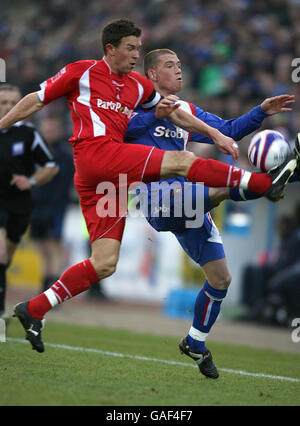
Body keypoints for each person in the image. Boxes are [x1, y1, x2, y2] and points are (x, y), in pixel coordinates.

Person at [0, 19, 296, 355]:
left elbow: (197, 119)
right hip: (119, 170)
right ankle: (265, 183)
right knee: (185, 162)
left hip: (126, 182)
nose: (135, 54)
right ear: (111, 49)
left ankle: (34, 309)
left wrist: (239, 122)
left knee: (106, 264)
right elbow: (37, 100)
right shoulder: (82, 73)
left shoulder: (142, 89)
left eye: (139, 49)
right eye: (131, 48)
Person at [125, 48, 297, 378]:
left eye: (180, 65)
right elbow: (120, 135)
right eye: (170, 66)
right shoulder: (133, 108)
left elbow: (228, 130)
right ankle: (268, 182)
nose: (178, 70)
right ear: (151, 75)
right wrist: (155, 115)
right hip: (157, 196)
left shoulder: (186, 110)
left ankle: (195, 341)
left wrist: (260, 112)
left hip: (189, 200)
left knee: (221, 279)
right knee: (212, 180)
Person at [0, 84, 59, 320]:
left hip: (20, 205)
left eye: (13, 103)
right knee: (1, 253)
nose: (8, 107)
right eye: (3, 103)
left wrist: (31, 181)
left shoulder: (29, 135)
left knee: (6, 258)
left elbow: (51, 166)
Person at [30, 116, 74, 292]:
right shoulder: (35, 152)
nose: (49, 132)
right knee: (42, 245)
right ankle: (45, 283)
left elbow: (63, 186)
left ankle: (53, 287)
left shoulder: (64, 154)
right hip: (36, 206)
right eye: (46, 128)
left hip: (55, 207)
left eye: (52, 129)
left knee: (53, 245)